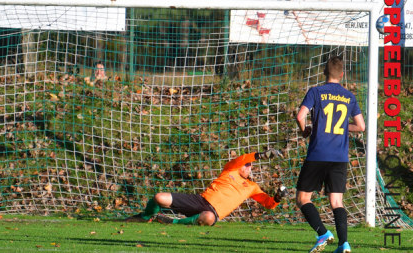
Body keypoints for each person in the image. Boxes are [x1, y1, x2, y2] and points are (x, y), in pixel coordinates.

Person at [295, 55, 364, 253]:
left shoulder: (316, 91)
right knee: (336, 202)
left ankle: (323, 233)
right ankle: (344, 244)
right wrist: (342, 127)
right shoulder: (349, 96)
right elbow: (361, 126)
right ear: (342, 75)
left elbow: (301, 116)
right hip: (339, 157)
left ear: (324, 72)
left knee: (303, 199)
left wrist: (304, 130)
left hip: (318, 154)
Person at [125, 150, 287, 226]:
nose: (249, 166)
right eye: (247, 164)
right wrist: (262, 155)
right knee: (159, 197)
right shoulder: (230, 168)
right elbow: (243, 158)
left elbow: (269, 204)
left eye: (251, 165)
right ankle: (146, 217)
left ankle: (171, 221)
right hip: (200, 200)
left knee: (209, 218)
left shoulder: (252, 187)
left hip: (212, 212)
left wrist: (278, 197)